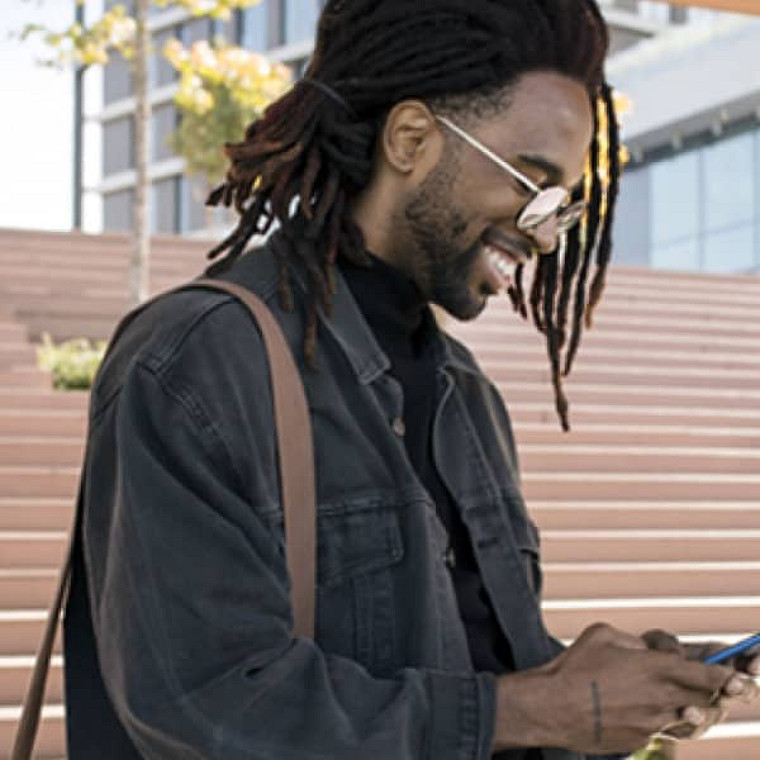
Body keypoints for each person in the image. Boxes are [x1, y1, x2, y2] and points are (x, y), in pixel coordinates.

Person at [63, 1, 759, 758]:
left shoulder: (467, 393)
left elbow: (473, 677)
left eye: (563, 202)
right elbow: (209, 705)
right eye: (531, 183)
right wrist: (536, 709)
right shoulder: (198, 361)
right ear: (412, 140)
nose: (545, 229)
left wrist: (613, 694)